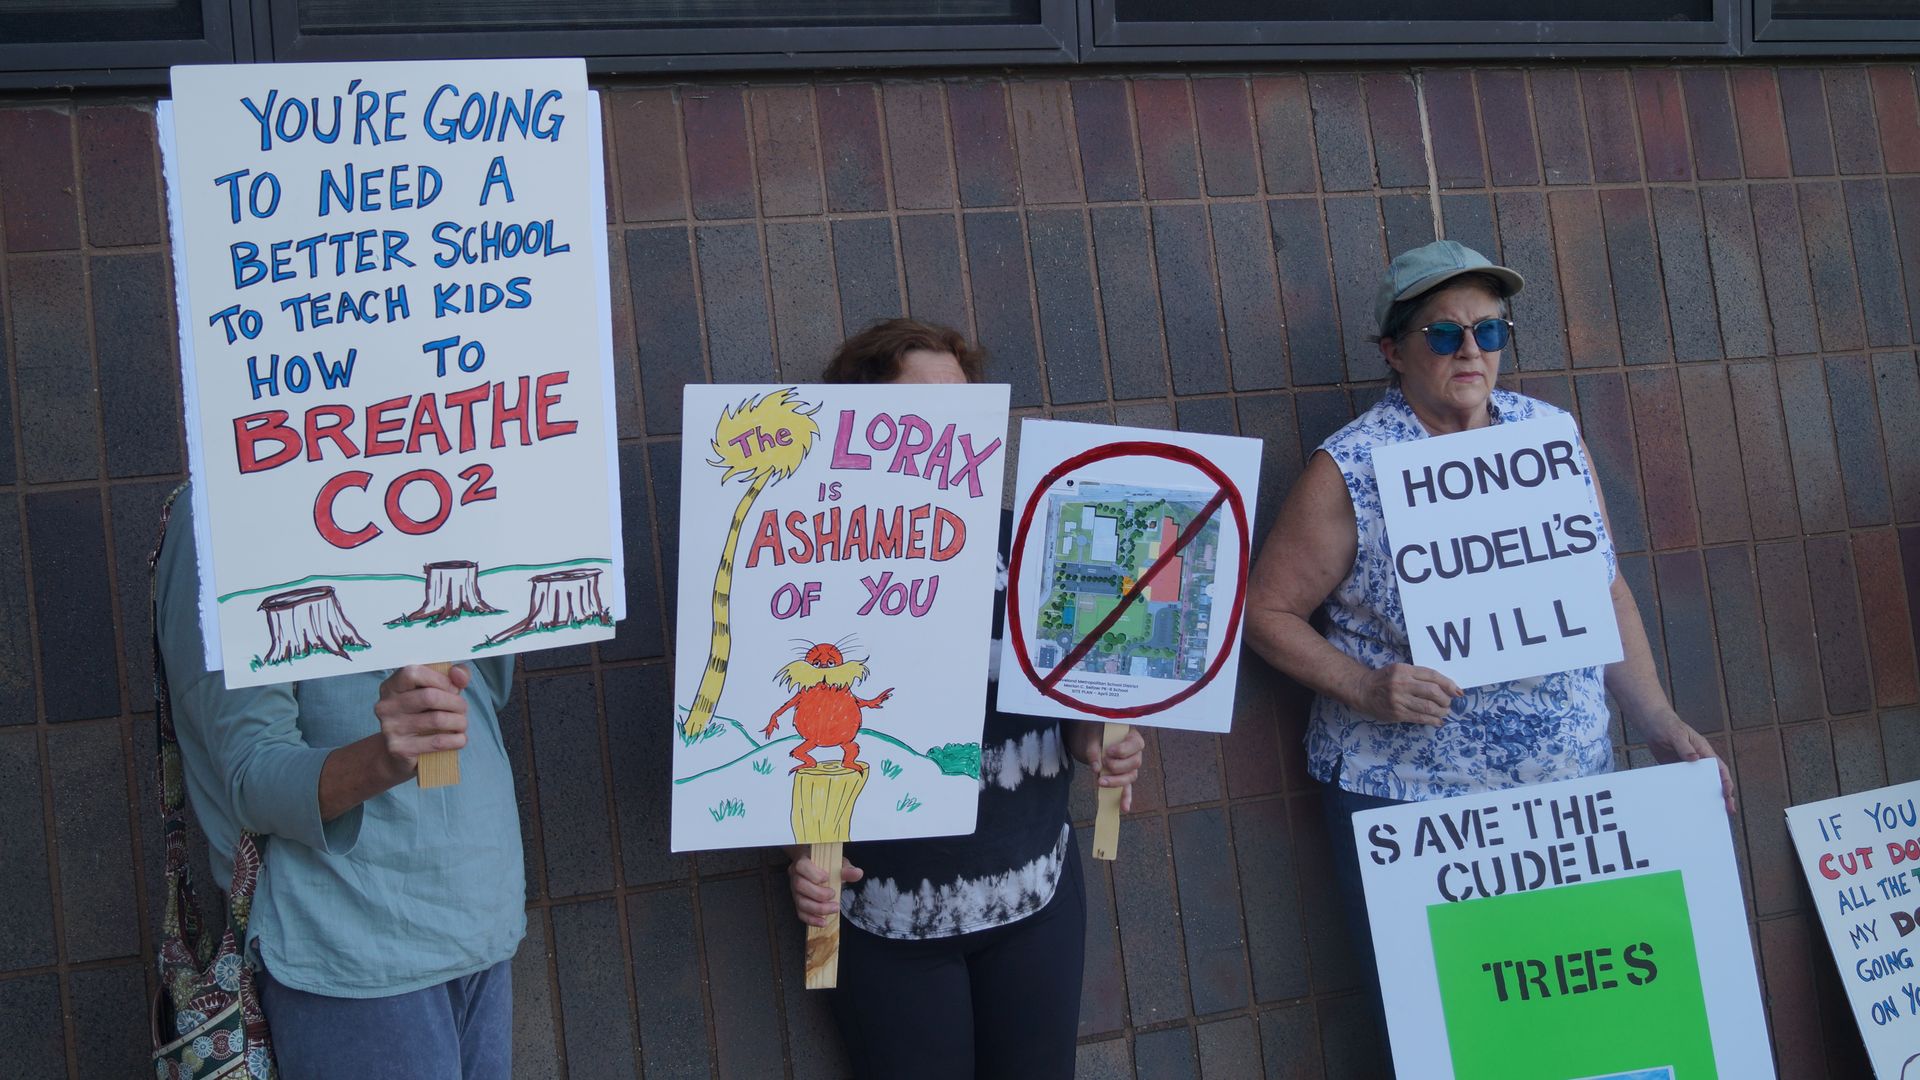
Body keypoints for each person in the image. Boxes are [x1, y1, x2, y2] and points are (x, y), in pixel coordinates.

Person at [1243, 240, 1734, 1044]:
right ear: (1393, 353)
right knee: (1460, 1033)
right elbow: (1267, 613)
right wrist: (1365, 687)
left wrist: (1660, 724)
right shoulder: (1355, 468)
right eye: (1443, 334)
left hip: (1567, 801)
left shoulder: (1549, 436)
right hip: (1418, 811)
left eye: (1489, 331)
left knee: (1581, 1030)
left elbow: (1603, 591)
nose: (1470, 350)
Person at [783, 318, 1147, 1080]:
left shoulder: (1033, 545)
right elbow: (765, 737)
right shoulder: (807, 562)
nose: (947, 430)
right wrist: (796, 850)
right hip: (884, 918)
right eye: (919, 412)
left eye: (964, 406)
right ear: (858, 426)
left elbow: (1076, 712)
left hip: (1035, 899)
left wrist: (1099, 739)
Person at [155, 489, 524, 1080]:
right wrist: (385, 756)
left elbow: (482, 691)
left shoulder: (444, 474)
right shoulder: (230, 505)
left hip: (481, 910)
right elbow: (252, 775)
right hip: (350, 941)